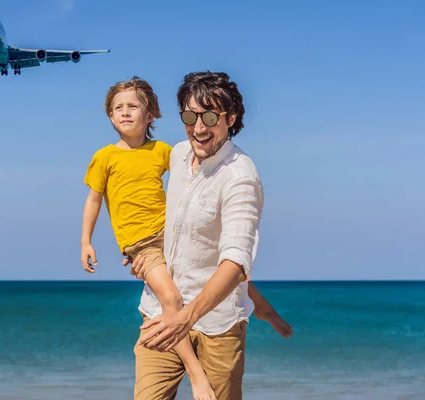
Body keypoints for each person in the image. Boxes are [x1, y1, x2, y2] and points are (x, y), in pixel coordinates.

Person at [80, 75, 291, 400]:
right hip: (159, 312)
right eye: (190, 116)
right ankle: (258, 309)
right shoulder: (178, 154)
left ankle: (260, 308)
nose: (199, 128)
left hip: (215, 325)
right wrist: (142, 252)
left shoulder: (240, 177)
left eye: (210, 117)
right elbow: (128, 197)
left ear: (230, 119)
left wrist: (184, 318)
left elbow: (235, 263)